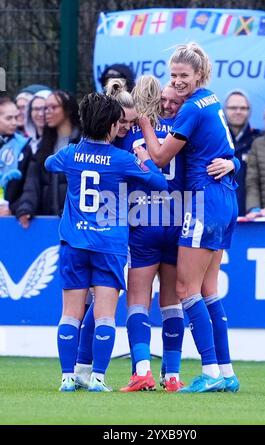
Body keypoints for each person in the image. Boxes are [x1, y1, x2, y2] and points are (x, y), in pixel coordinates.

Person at [45, 92, 167, 392]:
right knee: (105, 315)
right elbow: (160, 183)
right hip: (108, 245)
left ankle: (67, 377)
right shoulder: (122, 159)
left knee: (70, 314)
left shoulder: (70, 154)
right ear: (113, 125)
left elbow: (49, 163)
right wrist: (145, 160)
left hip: (74, 243)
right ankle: (98, 378)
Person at [139, 42, 240, 393]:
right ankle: (225, 371)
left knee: (185, 289)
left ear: (199, 74)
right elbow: (226, 148)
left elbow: (161, 157)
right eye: (173, 75)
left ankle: (210, 371)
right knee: (209, 289)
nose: (178, 82)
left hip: (202, 200)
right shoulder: (211, 99)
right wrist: (235, 163)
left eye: (184, 75)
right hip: (226, 196)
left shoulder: (191, 109)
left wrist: (142, 121)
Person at [119, 76, 186, 393]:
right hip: (175, 222)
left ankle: (142, 371)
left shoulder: (129, 132)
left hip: (142, 221)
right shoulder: (182, 133)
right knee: (172, 303)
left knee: (137, 302)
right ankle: (172, 376)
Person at [74, 79, 138, 387]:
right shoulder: (107, 145)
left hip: (127, 227)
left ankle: (82, 370)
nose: (125, 127)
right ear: (111, 121)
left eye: (131, 121)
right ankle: (86, 370)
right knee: (95, 307)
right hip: (104, 235)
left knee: (96, 306)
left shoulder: (130, 142)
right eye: (122, 121)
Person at [14, 90, 81, 228]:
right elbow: (32, 184)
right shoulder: (42, 146)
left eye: (53, 107)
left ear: (68, 109)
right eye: (46, 108)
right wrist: (26, 207)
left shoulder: (84, 143)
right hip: (47, 222)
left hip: (77, 224)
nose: (47, 112)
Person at [224, 90, 261, 216]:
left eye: (243, 108)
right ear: (224, 110)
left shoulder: (260, 140)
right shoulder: (216, 139)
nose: (238, 112)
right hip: (223, 213)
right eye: (233, 108)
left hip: (253, 214)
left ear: (249, 111)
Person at [0, 96, 31, 216]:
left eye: (16, 117)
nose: (14, 122)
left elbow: (27, 186)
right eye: (8, 118)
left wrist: (12, 208)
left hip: (11, 215)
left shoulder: (24, 145)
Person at [24, 89, 52, 154]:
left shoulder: (61, 143)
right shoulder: (27, 144)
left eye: (45, 108)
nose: (40, 114)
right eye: (36, 109)